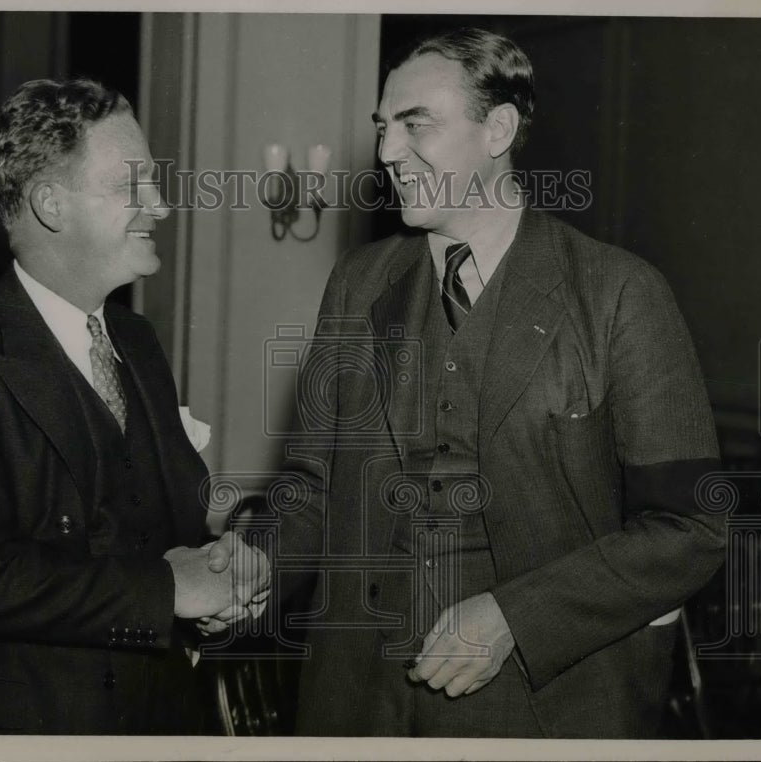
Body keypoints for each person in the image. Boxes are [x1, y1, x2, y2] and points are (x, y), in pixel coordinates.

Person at [269, 28, 726, 737]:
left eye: (416, 124)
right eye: (383, 128)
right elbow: (310, 487)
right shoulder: (359, 284)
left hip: (548, 705)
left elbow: (691, 528)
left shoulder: (618, 294)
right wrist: (246, 561)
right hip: (357, 703)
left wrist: (517, 615)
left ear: (499, 129)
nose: (388, 152)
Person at [0, 78, 268, 734]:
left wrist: (221, 564)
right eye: (133, 186)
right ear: (49, 204)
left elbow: (160, 526)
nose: (160, 205)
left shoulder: (138, 341)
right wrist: (168, 590)